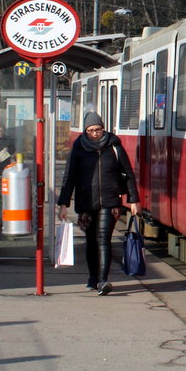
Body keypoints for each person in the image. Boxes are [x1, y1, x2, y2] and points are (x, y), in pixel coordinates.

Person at [57, 112, 140, 296]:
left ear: (103, 128)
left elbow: (127, 173)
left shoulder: (114, 145)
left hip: (110, 201)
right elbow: (69, 177)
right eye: (91, 130)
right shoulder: (78, 147)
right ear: (85, 130)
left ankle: (103, 280)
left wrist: (133, 199)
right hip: (86, 201)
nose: (95, 133)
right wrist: (63, 204)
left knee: (103, 239)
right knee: (91, 241)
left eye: (98, 129)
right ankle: (92, 278)